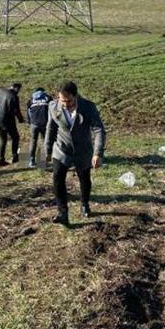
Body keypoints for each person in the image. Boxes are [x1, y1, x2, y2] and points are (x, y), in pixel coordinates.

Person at [45, 81, 106, 225]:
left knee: (84, 178)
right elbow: (51, 128)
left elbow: (99, 130)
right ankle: (62, 213)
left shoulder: (88, 107)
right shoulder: (53, 106)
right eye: (62, 101)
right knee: (57, 178)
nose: (65, 104)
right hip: (61, 149)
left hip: (82, 149)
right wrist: (47, 150)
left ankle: (84, 203)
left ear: (76, 96)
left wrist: (97, 153)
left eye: (69, 101)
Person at [0, 83, 25, 167]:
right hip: (6, 119)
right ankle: (14, 157)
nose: (18, 92)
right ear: (16, 88)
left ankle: (1, 160)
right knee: (15, 137)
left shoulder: (0, 91)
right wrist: (21, 119)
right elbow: (16, 110)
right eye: (18, 90)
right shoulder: (13, 96)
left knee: (3, 139)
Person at [26, 87, 53, 168]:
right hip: (45, 123)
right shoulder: (48, 98)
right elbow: (52, 110)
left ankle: (31, 161)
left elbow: (29, 113)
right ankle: (43, 162)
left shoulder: (31, 100)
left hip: (34, 124)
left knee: (33, 141)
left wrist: (30, 122)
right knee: (45, 141)